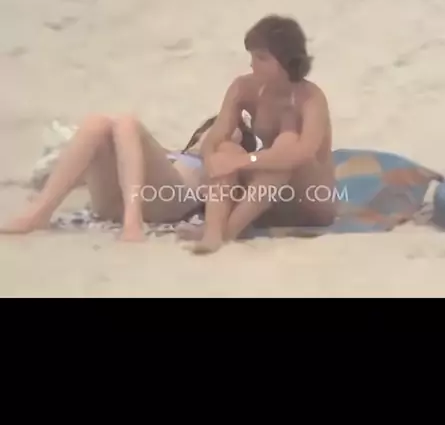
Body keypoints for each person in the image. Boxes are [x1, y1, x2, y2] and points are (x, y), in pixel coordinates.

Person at [179, 15, 336, 254]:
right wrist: (214, 159)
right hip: (270, 197)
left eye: (262, 58)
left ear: (287, 61)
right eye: (252, 56)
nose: (252, 64)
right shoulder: (244, 88)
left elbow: (303, 153)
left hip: (311, 198)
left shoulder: (310, 98)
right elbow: (214, 138)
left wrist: (243, 161)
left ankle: (228, 232)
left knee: (286, 145)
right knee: (226, 148)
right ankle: (213, 231)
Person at [0, 113, 256, 241]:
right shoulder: (165, 153)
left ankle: (133, 222)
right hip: (113, 202)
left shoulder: (221, 160)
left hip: (171, 203)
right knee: (97, 124)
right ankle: (39, 213)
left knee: (127, 122)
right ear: (199, 134)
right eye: (219, 126)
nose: (222, 133)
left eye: (232, 131)